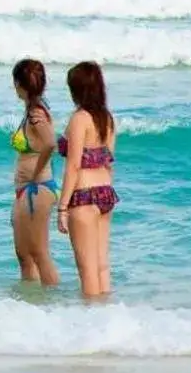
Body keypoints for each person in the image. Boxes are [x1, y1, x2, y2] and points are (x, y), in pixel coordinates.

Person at [56, 60, 117, 298]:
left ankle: (91, 323)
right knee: (102, 265)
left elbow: (73, 165)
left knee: (87, 270)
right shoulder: (107, 119)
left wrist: (62, 207)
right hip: (105, 193)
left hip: (83, 195)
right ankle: (106, 318)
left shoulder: (79, 118)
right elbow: (108, 161)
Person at [9, 58, 61, 286]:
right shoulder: (33, 110)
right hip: (27, 190)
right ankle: (32, 305)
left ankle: (54, 305)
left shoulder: (36, 114)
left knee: (39, 253)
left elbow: (51, 143)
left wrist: (35, 172)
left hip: (36, 189)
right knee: (24, 254)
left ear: (20, 84)